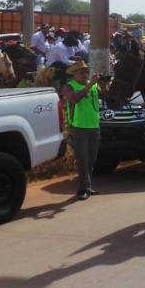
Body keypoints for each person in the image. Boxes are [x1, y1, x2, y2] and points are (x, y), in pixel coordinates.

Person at [62, 60, 105, 200]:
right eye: (81, 72)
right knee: (83, 160)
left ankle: (84, 188)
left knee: (91, 160)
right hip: (79, 127)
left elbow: (106, 96)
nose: (84, 75)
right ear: (74, 74)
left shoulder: (92, 86)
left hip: (94, 126)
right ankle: (85, 189)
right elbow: (74, 99)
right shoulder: (69, 87)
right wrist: (91, 84)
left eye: (86, 72)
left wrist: (104, 84)